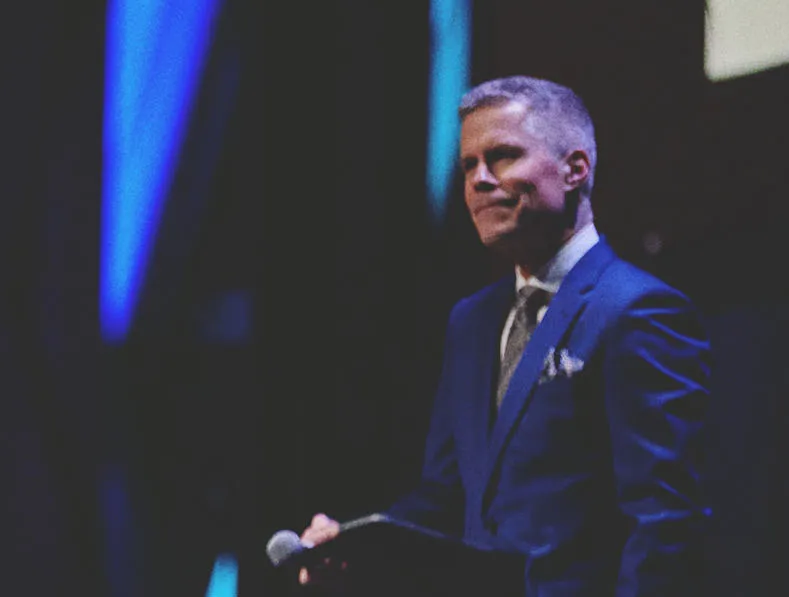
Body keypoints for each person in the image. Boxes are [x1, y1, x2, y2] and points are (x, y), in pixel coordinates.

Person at [294, 76, 709, 595]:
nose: (479, 180)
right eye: (469, 165)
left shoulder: (639, 311)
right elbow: (448, 496)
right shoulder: (470, 322)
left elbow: (666, 522)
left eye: (503, 156)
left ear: (574, 168)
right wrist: (357, 545)